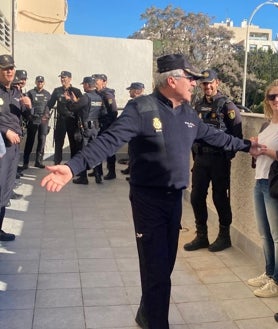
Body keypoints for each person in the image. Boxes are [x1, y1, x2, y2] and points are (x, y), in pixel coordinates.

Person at [41, 54, 263, 329]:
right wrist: (73, 166)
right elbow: (109, 140)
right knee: (157, 271)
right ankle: (157, 322)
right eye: (190, 78)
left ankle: (146, 314)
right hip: (148, 201)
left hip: (173, 202)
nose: (195, 84)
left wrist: (245, 145)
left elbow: (212, 134)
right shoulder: (141, 109)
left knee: (163, 266)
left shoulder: (188, 113)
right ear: (172, 80)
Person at [184, 69, 243, 252]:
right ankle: (202, 236)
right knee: (196, 197)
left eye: (210, 83)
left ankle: (224, 236)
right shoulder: (198, 105)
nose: (207, 86)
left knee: (219, 198)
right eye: (204, 83)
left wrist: (226, 156)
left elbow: (236, 136)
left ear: (217, 82)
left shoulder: (227, 106)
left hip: (219, 161)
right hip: (201, 159)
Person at [247, 79, 278, 298]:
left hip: (274, 185)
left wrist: (270, 153)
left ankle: (277, 281)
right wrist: (254, 149)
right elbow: (258, 155)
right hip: (260, 181)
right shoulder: (267, 124)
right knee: (264, 234)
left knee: (277, 236)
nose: (276, 100)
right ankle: (269, 273)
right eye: (272, 96)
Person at [0, 54, 32, 241]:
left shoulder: (16, 93)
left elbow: (27, 117)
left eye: (11, 67)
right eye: (5, 68)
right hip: (1, 145)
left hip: (13, 148)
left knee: (6, 188)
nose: (10, 71)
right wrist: (5, 131)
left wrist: (28, 107)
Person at [65, 76, 104, 184]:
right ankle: (98, 175)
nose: (83, 87)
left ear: (87, 84)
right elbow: (103, 112)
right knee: (95, 152)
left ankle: (83, 178)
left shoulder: (86, 97)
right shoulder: (99, 97)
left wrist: (68, 100)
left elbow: (73, 108)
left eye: (84, 84)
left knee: (83, 152)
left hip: (85, 129)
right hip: (95, 128)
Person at [47, 71, 82, 165]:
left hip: (72, 120)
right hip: (61, 120)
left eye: (64, 77)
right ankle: (57, 163)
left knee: (73, 143)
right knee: (58, 143)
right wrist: (45, 114)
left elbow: (81, 106)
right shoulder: (57, 91)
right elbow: (50, 104)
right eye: (61, 77)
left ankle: (73, 164)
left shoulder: (76, 91)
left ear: (70, 78)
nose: (62, 79)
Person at [90, 73, 118, 180]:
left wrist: (109, 124)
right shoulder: (96, 93)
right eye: (94, 80)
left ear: (104, 82)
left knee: (109, 149)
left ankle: (111, 172)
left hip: (106, 125)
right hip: (98, 125)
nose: (94, 82)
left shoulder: (107, 94)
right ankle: (98, 170)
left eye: (96, 80)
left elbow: (113, 111)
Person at [22, 76, 51, 169]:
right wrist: (29, 116)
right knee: (30, 140)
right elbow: (26, 106)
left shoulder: (47, 94)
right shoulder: (30, 93)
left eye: (41, 82)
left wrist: (46, 115)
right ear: (35, 82)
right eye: (38, 81)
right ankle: (25, 162)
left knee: (42, 141)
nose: (40, 83)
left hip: (43, 120)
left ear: (44, 83)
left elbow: (48, 106)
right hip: (33, 120)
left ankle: (38, 162)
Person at [121, 82, 145, 178]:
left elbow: (125, 116)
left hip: (134, 132)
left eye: (130, 90)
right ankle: (131, 170)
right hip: (143, 133)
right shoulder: (149, 101)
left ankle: (134, 175)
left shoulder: (133, 103)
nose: (129, 92)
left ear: (136, 91)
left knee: (134, 153)